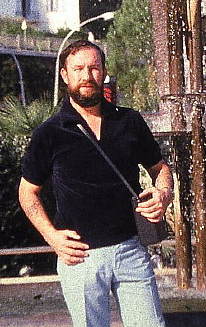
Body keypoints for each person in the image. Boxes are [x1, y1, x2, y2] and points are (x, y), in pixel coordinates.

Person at [19, 40, 173, 327]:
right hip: (80, 257)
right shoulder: (50, 132)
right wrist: (51, 236)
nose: (86, 76)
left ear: (103, 73)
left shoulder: (129, 121)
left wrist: (163, 193)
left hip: (131, 250)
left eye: (94, 68)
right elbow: (27, 192)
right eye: (78, 69)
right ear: (65, 75)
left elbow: (160, 168)